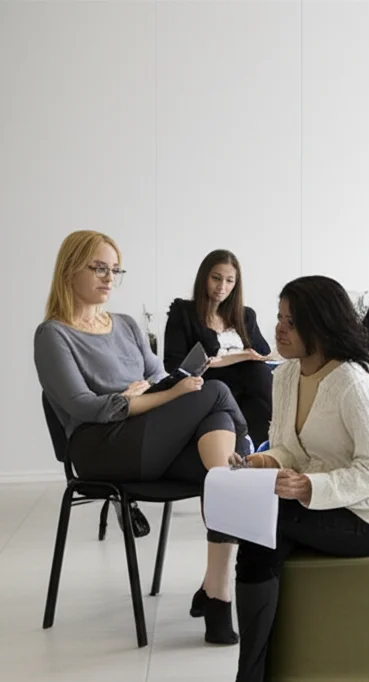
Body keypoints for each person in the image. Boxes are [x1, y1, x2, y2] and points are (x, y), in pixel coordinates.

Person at [34, 231, 249, 645]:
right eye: (98, 267)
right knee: (217, 394)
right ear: (69, 269)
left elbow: (159, 379)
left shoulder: (128, 325)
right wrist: (151, 395)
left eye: (114, 269)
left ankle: (216, 593)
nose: (109, 277)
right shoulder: (53, 335)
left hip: (148, 439)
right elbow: (85, 407)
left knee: (217, 473)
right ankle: (252, 454)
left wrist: (160, 391)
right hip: (102, 449)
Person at [232, 275, 369, 682]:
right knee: (259, 531)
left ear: (321, 324)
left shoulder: (355, 384)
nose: (278, 328)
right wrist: (258, 463)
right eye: (279, 317)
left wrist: (310, 486)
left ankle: (251, 674)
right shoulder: (284, 376)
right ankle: (257, 671)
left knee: (266, 525)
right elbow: (289, 450)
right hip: (319, 507)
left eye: (291, 322)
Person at [164, 249, 274, 445]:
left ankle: (261, 444)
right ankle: (252, 444)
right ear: (204, 277)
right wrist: (237, 357)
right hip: (209, 384)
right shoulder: (183, 312)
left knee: (262, 374)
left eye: (230, 281)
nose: (222, 287)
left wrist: (241, 357)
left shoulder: (245, 315)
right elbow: (173, 364)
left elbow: (262, 353)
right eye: (216, 278)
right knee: (256, 374)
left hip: (250, 389)